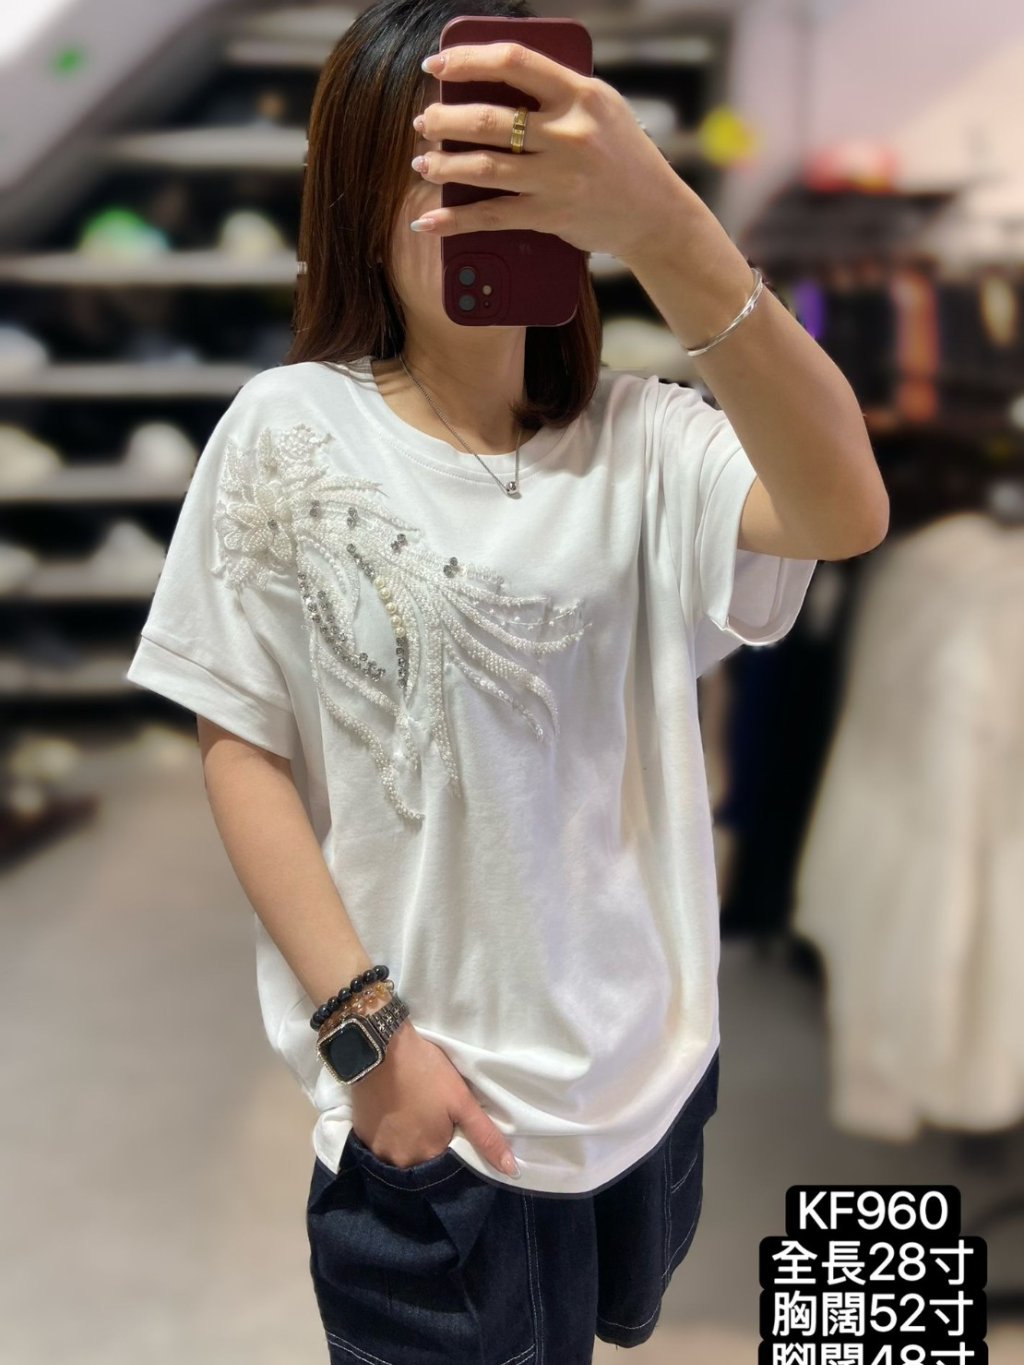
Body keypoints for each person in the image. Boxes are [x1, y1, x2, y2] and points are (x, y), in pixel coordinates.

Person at [125, 0, 888, 1358]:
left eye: (518, 170)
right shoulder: (289, 431)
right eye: (443, 171)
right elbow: (241, 740)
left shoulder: (651, 441)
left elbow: (845, 508)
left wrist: (667, 225)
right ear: (362, 201)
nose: (479, 208)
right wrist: (367, 1038)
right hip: (430, 1112)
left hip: (643, 1092)